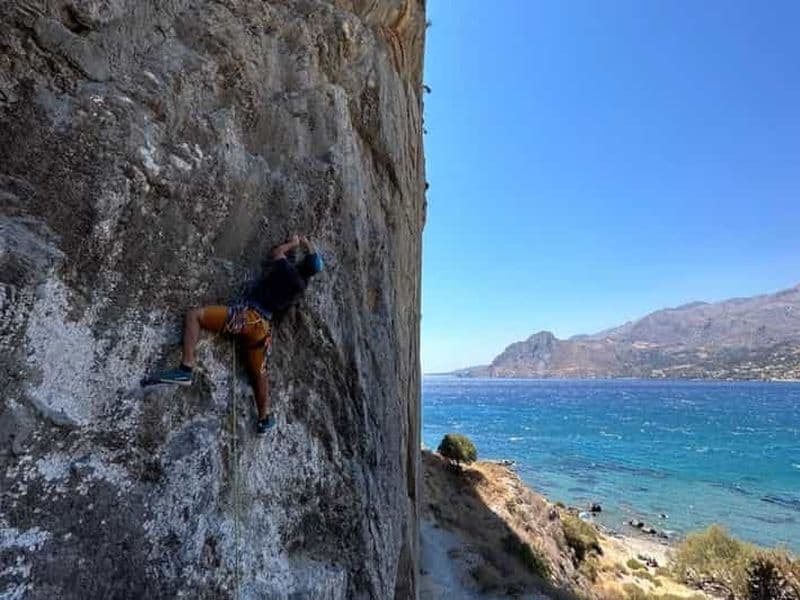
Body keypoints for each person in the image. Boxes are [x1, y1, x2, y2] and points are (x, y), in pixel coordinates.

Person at [152, 234, 324, 434]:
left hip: (248, 319)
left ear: (302, 263)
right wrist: (307, 247)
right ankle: (264, 418)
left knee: (194, 316)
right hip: (262, 329)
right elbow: (311, 262)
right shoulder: (301, 287)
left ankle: (186, 368)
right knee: (260, 373)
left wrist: (294, 243)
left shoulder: (289, 272)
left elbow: (276, 253)